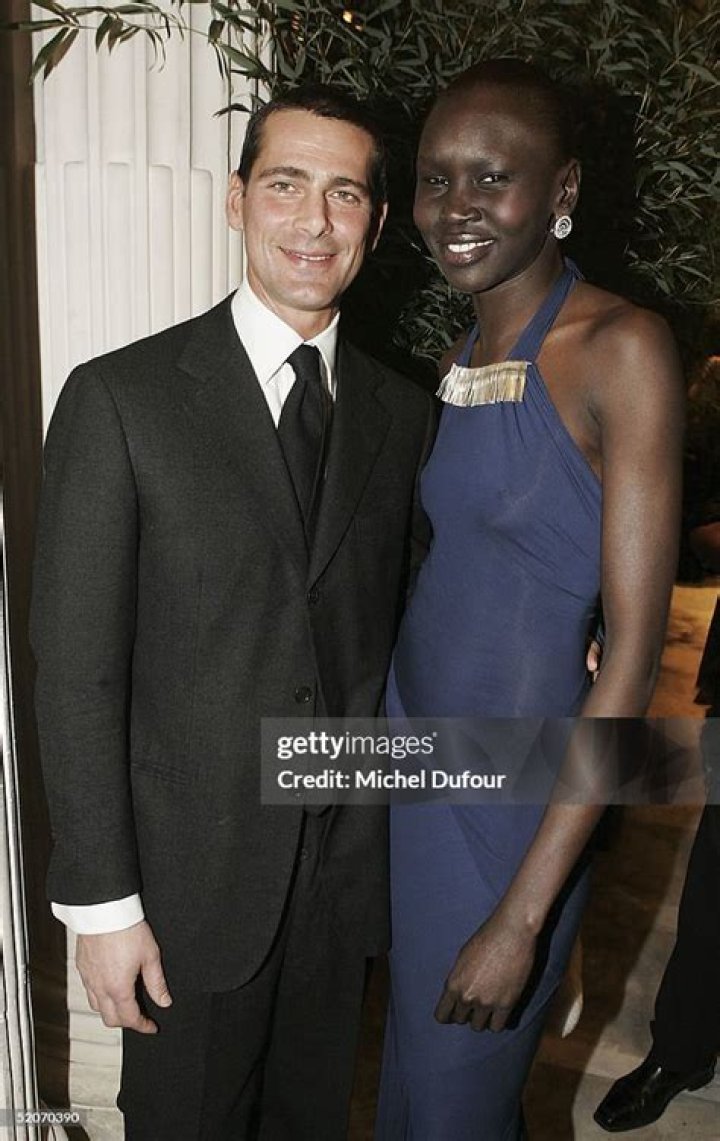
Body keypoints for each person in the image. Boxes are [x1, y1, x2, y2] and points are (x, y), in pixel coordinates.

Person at [30, 84, 435, 1140]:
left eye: (345, 194)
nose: (315, 221)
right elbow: (75, 672)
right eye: (287, 184)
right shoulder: (121, 399)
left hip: (340, 885)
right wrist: (103, 906)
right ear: (235, 199)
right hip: (186, 894)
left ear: (374, 222)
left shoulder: (402, 414)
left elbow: (407, 617)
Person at [375, 59, 684, 1140]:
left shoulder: (621, 347)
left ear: (562, 191)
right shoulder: (457, 354)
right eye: (435, 178)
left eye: (492, 177)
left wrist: (523, 915)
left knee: (456, 1107)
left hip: (515, 804)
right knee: (412, 1091)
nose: (455, 206)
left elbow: (633, 660)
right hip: (414, 760)